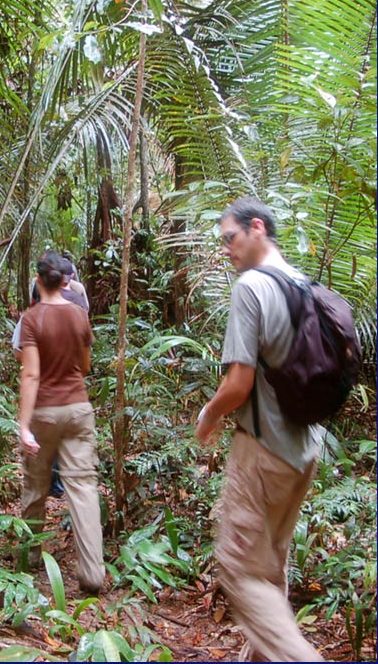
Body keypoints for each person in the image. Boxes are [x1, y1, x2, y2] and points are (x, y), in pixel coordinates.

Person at [195, 197, 324, 662]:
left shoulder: (251, 286)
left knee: (239, 571)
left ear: (256, 229)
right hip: (304, 452)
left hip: (263, 453)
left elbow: (238, 383)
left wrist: (209, 415)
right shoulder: (301, 283)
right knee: (268, 567)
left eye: (230, 238)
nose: (225, 249)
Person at [17, 250, 105, 594]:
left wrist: (24, 425)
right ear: (65, 281)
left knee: (36, 486)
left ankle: (31, 559)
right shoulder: (79, 316)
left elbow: (31, 374)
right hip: (79, 410)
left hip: (45, 413)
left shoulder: (31, 319)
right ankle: (93, 574)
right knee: (83, 489)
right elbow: (84, 366)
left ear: (39, 281)